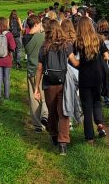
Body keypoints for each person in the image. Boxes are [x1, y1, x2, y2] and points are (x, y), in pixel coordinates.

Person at [34, 19, 73, 154]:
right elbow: (75, 62)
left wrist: (36, 88)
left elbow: (39, 69)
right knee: (63, 112)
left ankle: (54, 135)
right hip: (64, 83)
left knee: (52, 112)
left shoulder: (44, 47)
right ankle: (63, 143)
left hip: (49, 83)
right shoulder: (66, 45)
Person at [74, 18, 109, 144]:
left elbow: (73, 57)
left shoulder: (78, 41)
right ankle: (99, 122)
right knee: (97, 100)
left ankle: (89, 137)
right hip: (98, 75)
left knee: (87, 106)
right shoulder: (98, 39)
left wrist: (78, 64)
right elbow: (106, 55)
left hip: (85, 75)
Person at [24, 16, 50, 131]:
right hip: (42, 70)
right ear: (36, 24)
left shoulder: (25, 37)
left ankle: (37, 125)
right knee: (44, 95)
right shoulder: (42, 37)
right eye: (40, 24)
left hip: (30, 70)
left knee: (33, 97)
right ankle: (45, 116)